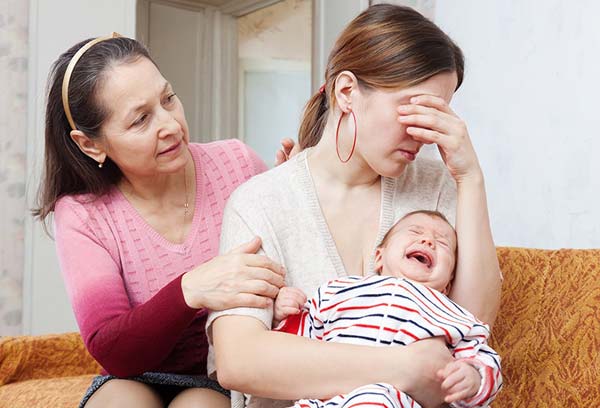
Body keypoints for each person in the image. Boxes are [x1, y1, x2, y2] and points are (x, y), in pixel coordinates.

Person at [208, 4, 502, 408]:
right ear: (347, 92)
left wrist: (470, 178)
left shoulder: (438, 186)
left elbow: (472, 327)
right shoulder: (261, 201)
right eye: (414, 109)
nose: (424, 134)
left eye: (436, 114)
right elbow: (240, 360)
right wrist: (404, 367)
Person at [33, 34, 292, 408]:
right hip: (131, 373)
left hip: (221, 372)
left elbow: (294, 267)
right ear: (91, 144)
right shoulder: (83, 213)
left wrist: (295, 194)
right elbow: (112, 348)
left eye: (168, 99)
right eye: (141, 119)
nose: (170, 124)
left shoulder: (237, 163)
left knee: (199, 404)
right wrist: (190, 289)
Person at [273, 210, 502, 408]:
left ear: (447, 285)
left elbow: (482, 355)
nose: (428, 241)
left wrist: (473, 377)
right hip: (325, 398)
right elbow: (301, 343)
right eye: (415, 232)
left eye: (442, 243)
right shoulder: (338, 290)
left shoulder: (452, 314)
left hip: (392, 400)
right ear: (379, 257)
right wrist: (286, 314)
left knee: (375, 400)